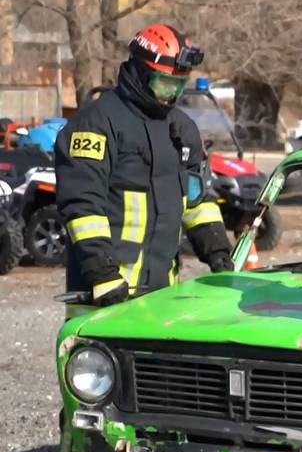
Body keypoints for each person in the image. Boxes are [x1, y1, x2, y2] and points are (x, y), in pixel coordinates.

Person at [56, 23, 233, 317]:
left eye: (178, 85)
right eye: (164, 83)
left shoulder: (182, 129)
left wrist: (218, 254)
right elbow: (82, 204)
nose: (170, 94)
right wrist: (103, 274)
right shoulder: (97, 122)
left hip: (162, 296)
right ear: (140, 71)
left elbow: (197, 201)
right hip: (104, 295)